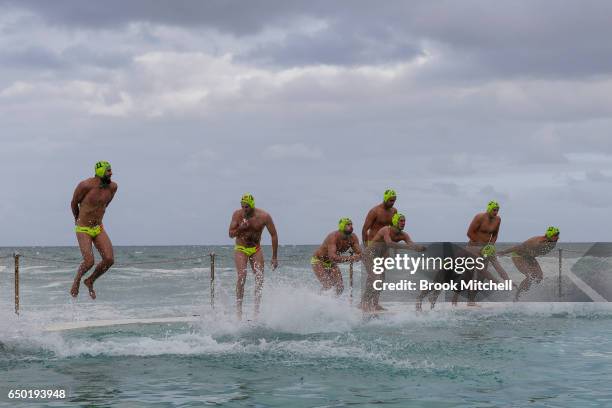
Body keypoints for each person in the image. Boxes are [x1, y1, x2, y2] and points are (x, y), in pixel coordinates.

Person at [70, 161, 118, 299]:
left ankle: (90, 281)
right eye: (108, 171)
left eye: (111, 170)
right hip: (83, 228)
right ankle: (77, 281)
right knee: (89, 261)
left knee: (109, 260)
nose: (111, 173)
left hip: (98, 227)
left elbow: (104, 205)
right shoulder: (85, 185)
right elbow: (73, 202)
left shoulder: (113, 187)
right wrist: (77, 218)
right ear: (101, 171)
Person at [361, 213, 426, 312]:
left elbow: (411, 244)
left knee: (381, 280)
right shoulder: (386, 230)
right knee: (375, 278)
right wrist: (409, 247)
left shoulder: (404, 235)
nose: (403, 223)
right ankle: (364, 303)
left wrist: (418, 248)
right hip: (369, 255)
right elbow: (389, 243)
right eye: (401, 221)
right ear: (395, 221)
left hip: (379, 257)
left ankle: (375, 304)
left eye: (404, 221)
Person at [228, 193, 278, 320]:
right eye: (242, 206)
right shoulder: (237, 215)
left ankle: (256, 311)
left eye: (247, 207)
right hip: (241, 248)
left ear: (252, 206)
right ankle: (239, 311)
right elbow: (230, 234)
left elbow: (274, 235)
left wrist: (274, 257)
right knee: (242, 276)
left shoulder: (264, 216)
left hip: (255, 248)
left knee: (260, 277)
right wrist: (241, 228)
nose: (244, 209)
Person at [498, 227, 560, 300]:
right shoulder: (536, 242)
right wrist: (504, 252)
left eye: (558, 234)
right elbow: (518, 247)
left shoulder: (552, 241)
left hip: (529, 257)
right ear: (550, 235)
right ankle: (517, 298)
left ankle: (527, 294)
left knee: (539, 277)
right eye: (555, 235)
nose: (557, 237)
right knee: (530, 276)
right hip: (518, 256)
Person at [311, 218, 362, 295]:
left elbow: (359, 253)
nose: (351, 226)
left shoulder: (353, 237)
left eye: (352, 224)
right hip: (318, 261)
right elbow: (333, 257)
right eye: (348, 224)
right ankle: (317, 300)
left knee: (340, 288)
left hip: (331, 263)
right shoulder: (333, 237)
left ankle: (333, 305)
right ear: (342, 226)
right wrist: (351, 258)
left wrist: (360, 256)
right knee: (328, 286)